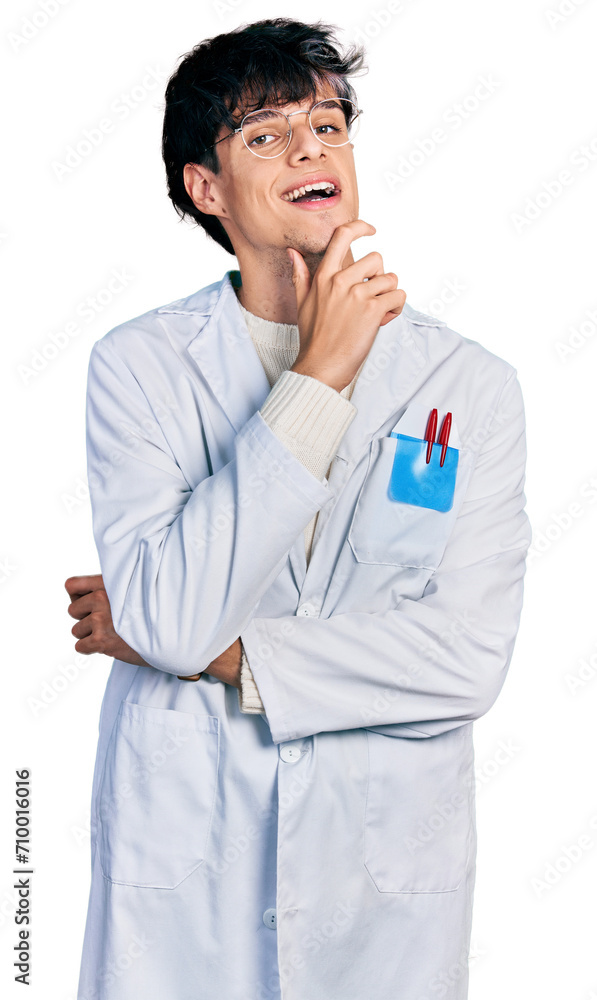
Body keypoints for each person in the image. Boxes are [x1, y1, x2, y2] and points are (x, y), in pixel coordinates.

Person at [66, 17, 531, 1000]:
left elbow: (466, 658)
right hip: (185, 885)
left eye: (328, 126)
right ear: (207, 187)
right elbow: (176, 616)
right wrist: (320, 375)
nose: (311, 149)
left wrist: (217, 655)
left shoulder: (468, 383)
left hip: (383, 896)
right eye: (266, 135)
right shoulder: (139, 368)